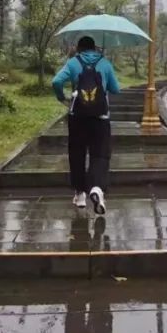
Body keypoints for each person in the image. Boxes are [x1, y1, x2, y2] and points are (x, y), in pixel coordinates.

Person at [51, 35, 121, 215]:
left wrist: (62, 97)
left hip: (78, 117)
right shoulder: (105, 63)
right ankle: (97, 188)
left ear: (79, 48)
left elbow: (56, 81)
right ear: (95, 48)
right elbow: (116, 89)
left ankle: (80, 195)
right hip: (101, 118)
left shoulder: (73, 63)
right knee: (100, 154)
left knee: (77, 153)